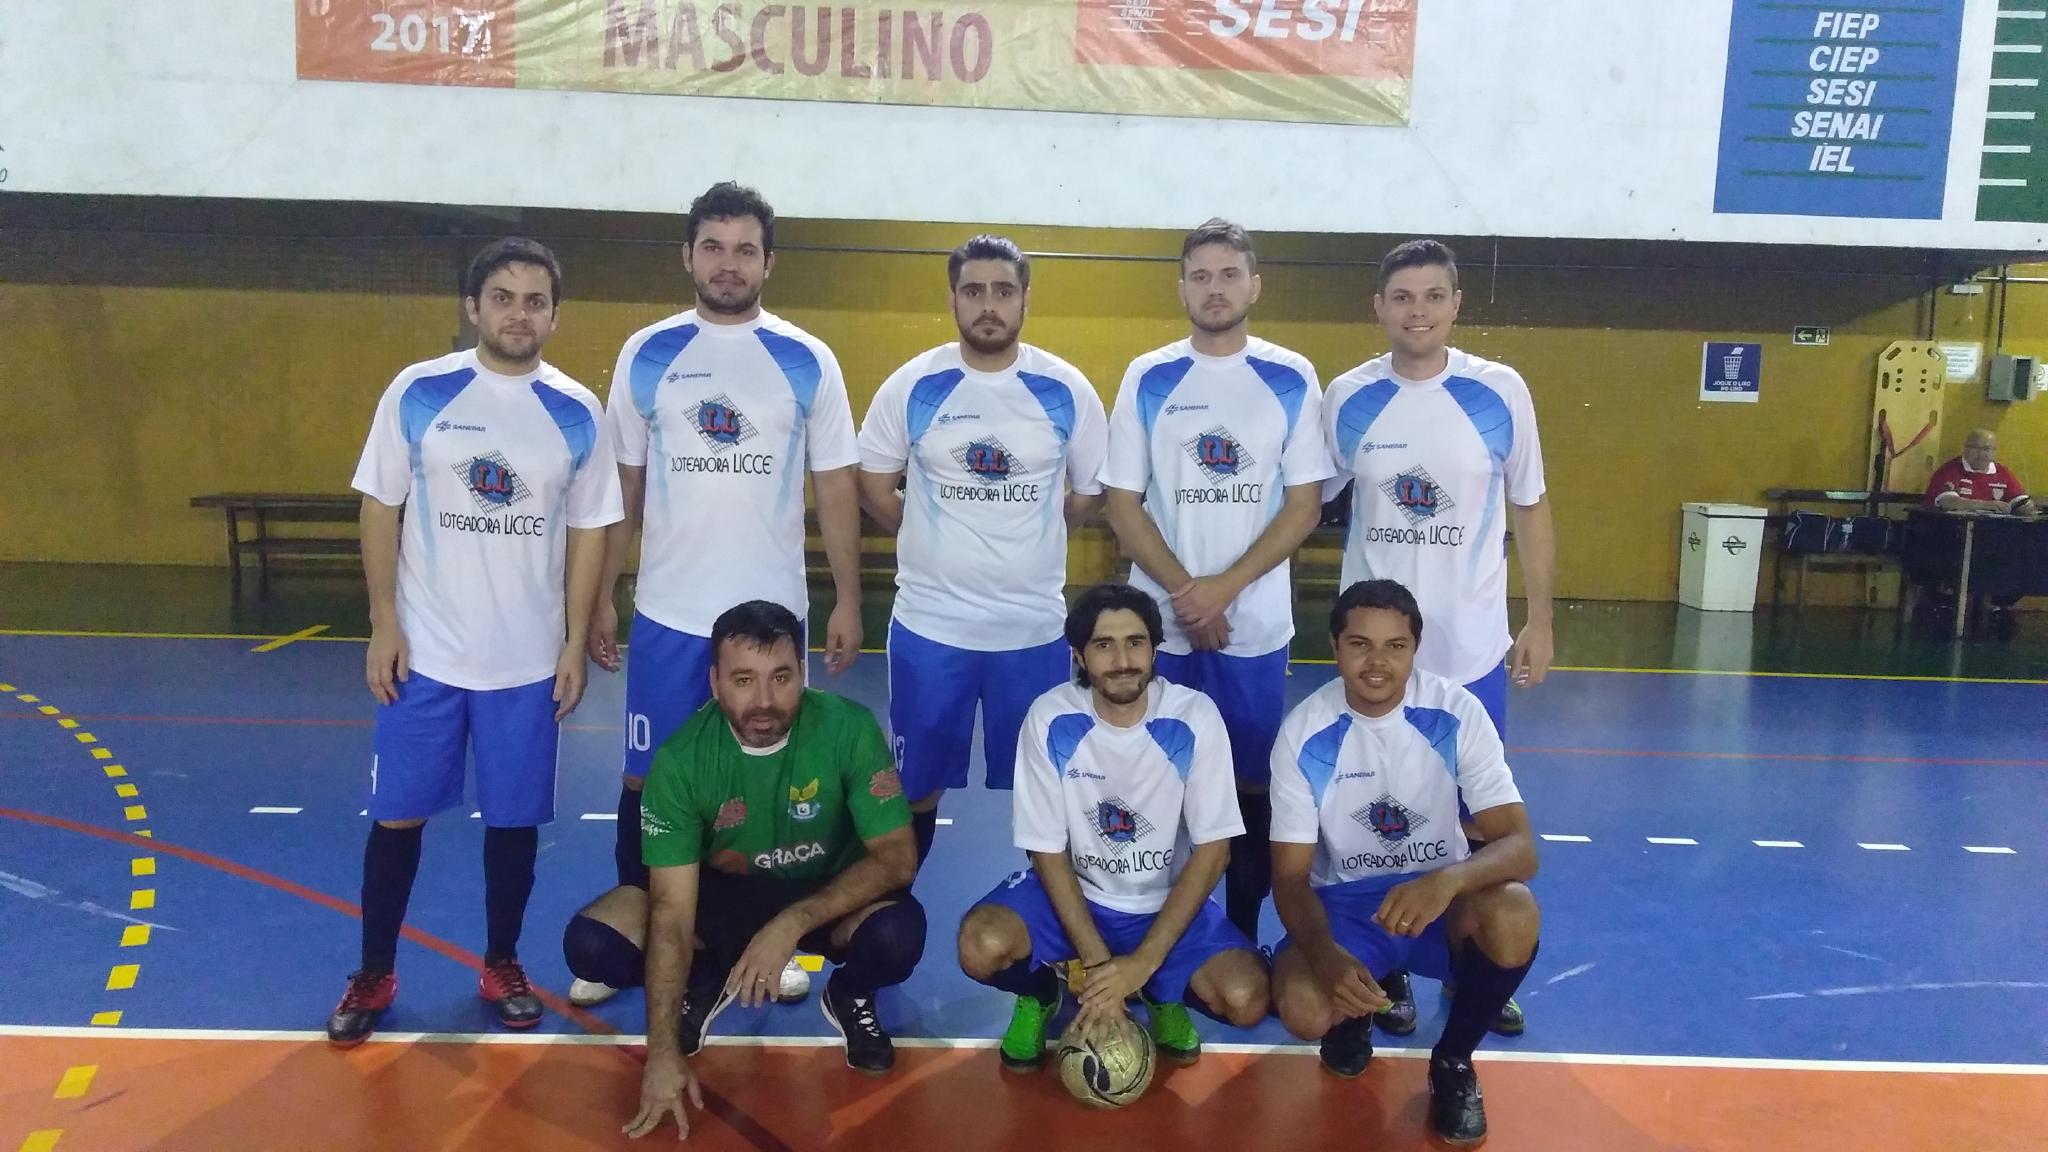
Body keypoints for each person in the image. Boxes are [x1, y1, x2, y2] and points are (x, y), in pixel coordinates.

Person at [566, 181, 865, 1008]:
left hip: (772, 624)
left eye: (744, 250)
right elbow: (623, 490)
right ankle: (634, 932)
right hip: (671, 615)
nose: (728, 264)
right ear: (688, 256)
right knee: (645, 782)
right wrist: (603, 596)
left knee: (770, 786)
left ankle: (776, 940)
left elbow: (835, 487)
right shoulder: (648, 353)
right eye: (713, 247)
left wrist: (846, 598)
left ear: (769, 262)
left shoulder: (806, 359)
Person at [328, 237, 623, 1046]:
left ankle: (501, 963)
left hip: (526, 665)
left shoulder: (576, 411)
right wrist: (384, 622)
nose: (518, 314)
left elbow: (590, 531)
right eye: (502, 297)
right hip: (425, 656)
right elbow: (379, 506)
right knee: (397, 820)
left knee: (514, 825)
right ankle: (375, 970)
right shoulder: (419, 391)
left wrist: (573, 642)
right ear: (473, 307)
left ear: (554, 315)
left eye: (535, 301)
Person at [1321, 238, 1552, 1037]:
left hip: (1470, 650)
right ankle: (1389, 962)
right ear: (1378, 308)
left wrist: (1541, 619)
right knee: (1377, 812)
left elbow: (1530, 507)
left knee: (1475, 820)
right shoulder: (1348, 398)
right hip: (1374, 658)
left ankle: (1473, 964)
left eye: (1432, 296)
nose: (1417, 311)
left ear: (1455, 304)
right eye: (1402, 297)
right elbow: (1301, 500)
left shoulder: (1500, 391)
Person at [1102, 218, 1333, 945]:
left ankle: (1238, 934)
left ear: (1254, 285)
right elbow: (1121, 502)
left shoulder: (1290, 377)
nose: (1215, 288)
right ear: (1181, 288)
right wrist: (1187, 594)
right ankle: (1150, 931)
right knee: (1152, 782)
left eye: (1229, 274)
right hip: (1158, 631)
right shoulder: (1148, 376)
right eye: (1200, 276)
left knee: (1249, 786)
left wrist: (1223, 590)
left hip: (1252, 630)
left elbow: (1304, 505)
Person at [626, 601, 923, 1140]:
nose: (763, 700)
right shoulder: (681, 760)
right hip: (729, 899)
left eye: (780, 677)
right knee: (598, 943)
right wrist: (661, 1053)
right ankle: (707, 974)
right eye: (744, 680)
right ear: (715, 683)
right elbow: (671, 912)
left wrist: (791, 924)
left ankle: (849, 992)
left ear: (802, 674)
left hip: (824, 895)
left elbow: (898, 858)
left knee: (899, 934)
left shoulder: (849, 727)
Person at [856, 234, 1108, 866]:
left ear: (1025, 299)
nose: (988, 305)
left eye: (1003, 291)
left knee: (1047, 793)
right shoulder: (914, 385)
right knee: (915, 792)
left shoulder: (1065, 389)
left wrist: (1037, 531)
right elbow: (874, 484)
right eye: (973, 291)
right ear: (953, 299)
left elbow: (1089, 493)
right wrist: (929, 531)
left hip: (1032, 633)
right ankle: (891, 909)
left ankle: (1053, 920)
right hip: (931, 628)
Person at [1269, 579, 1540, 1146]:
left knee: (1514, 911)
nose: (1377, 662)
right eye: (1360, 644)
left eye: (1395, 646)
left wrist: (1447, 880)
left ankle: (1453, 1060)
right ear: (1335, 647)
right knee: (1303, 1008)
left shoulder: (1454, 712)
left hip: (1439, 898)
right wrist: (1325, 959)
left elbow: (1520, 847)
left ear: (1415, 648)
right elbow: (1290, 879)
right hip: (1347, 905)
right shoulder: (1304, 734)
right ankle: (1357, 1003)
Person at [956, 583, 1268, 1071]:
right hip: (1078, 895)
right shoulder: (1051, 718)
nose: (1123, 661)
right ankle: (1041, 993)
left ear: (1154, 650)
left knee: (1245, 999)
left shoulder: (1193, 717)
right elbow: (1046, 851)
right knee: (981, 944)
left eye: (1135, 643)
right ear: (1079, 657)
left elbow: (1214, 852)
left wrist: (1141, 964)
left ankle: (1161, 992)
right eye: (1104, 645)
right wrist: (1099, 967)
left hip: (1162, 902)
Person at [1925, 428, 2033, 515]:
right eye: (1975, 447)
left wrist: (2026, 507)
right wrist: (1984, 505)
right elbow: (1947, 502)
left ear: (1994, 451)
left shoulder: (2002, 472)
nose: (1980, 453)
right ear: (1965, 448)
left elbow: (2019, 500)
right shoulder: (1950, 470)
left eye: (1986, 449)